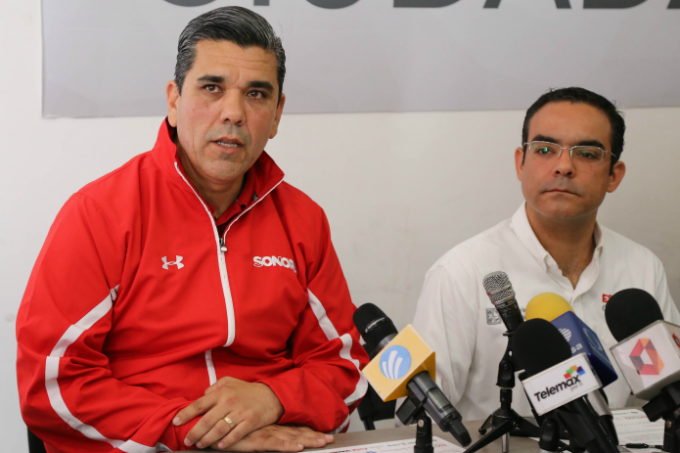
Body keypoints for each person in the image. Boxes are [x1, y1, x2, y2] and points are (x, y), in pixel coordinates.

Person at [16, 7, 368, 453]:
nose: (233, 113)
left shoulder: (302, 219)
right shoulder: (100, 214)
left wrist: (273, 399)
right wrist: (198, 434)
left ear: (277, 114)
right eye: (212, 88)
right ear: (173, 101)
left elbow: (344, 368)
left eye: (256, 94)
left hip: (270, 439)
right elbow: (51, 384)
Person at [412, 87, 680, 421]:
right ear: (520, 163)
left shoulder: (642, 267)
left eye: (587, 154)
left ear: (614, 175)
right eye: (544, 150)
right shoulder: (461, 271)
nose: (563, 166)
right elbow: (423, 419)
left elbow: (670, 391)